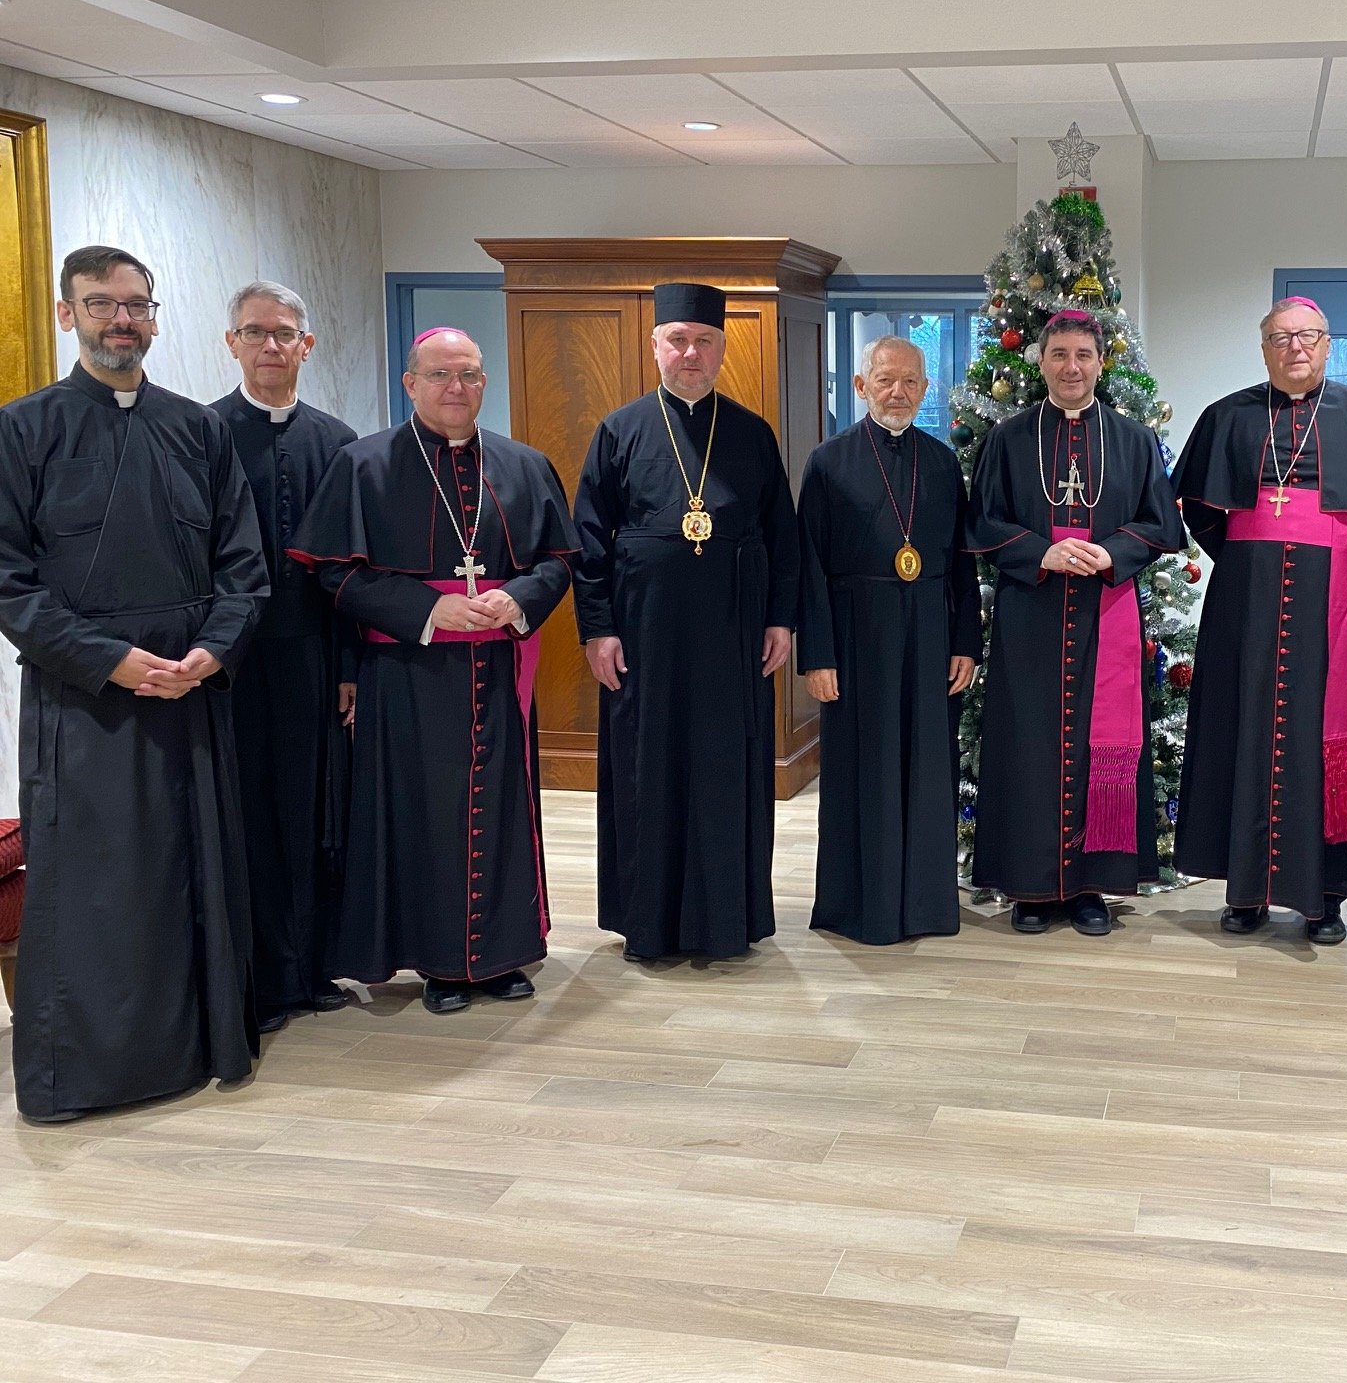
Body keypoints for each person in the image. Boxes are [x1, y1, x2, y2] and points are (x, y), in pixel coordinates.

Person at [0, 245, 267, 1122]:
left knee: (196, 873)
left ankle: (203, 1045)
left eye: (138, 306)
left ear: (156, 316)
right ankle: (96, 1073)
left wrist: (213, 652)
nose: (123, 321)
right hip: (87, 701)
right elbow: (8, 582)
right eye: (103, 305)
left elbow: (243, 567)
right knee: (100, 888)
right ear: (67, 313)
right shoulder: (22, 430)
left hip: (188, 689)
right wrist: (110, 661)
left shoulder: (199, 428)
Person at [288, 328, 576, 1014]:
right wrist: (429, 610)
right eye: (441, 375)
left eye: (470, 375)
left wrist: (518, 598)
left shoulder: (525, 465)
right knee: (421, 814)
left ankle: (501, 956)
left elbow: (559, 561)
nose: (456, 388)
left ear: (484, 384)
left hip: (501, 670)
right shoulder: (364, 465)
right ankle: (440, 963)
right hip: (409, 677)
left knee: (505, 811)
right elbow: (331, 571)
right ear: (411, 383)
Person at [573, 282, 798, 961]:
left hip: (734, 632)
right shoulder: (619, 430)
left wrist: (781, 620)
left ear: (723, 349)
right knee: (649, 765)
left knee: (728, 767)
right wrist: (597, 627)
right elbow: (586, 539)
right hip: (644, 634)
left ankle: (728, 919)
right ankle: (651, 923)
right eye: (677, 340)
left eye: (703, 341)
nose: (690, 353)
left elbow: (782, 536)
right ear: (655, 347)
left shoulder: (753, 433)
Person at [1172, 296, 1347, 943]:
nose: (1295, 347)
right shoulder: (1227, 417)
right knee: (1240, 732)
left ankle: (1323, 896)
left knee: (1321, 737)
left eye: (1308, 336)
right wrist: (1254, 561)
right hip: (1246, 601)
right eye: (1280, 337)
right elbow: (1202, 513)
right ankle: (1245, 891)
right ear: (1264, 347)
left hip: (1337, 604)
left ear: (1327, 344)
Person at [965, 310, 1184, 936]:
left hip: (1104, 610)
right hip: (1030, 614)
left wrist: (1114, 552)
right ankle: (1030, 887)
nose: (1071, 367)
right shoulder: (1008, 438)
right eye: (1058, 354)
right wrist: (1043, 552)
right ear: (1040, 362)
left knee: (1102, 745)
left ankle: (1094, 886)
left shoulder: (1134, 439)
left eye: (1083, 354)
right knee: (1027, 746)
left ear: (1100, 361)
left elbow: (1161, 524)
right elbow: (982, 521)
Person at [797, 337, 981, 944]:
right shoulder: (829, 461)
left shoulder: (943, 462)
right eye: (884, 381)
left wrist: (966, 643)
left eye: (909, 382)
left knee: (928, 764)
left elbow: (960, 563)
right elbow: (810, 566)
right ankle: (860, 906)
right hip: (855, 635)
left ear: (925, 390)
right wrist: (817, 654)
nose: (897, 392)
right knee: (863, 766)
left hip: (930, 631)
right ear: (860, 387)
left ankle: (926, 905)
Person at [210, 281, 358, 1032]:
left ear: (306, 345)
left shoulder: (338, 442)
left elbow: (353, 571)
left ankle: (314, 966)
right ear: (230, 342)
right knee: (246, 817)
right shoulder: (197, 432)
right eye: (255, 332)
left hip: (314, 661)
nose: (271, 346)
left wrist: (348, 669)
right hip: (230, 665)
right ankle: (260, 977)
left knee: (314, 813)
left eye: (284, 333)